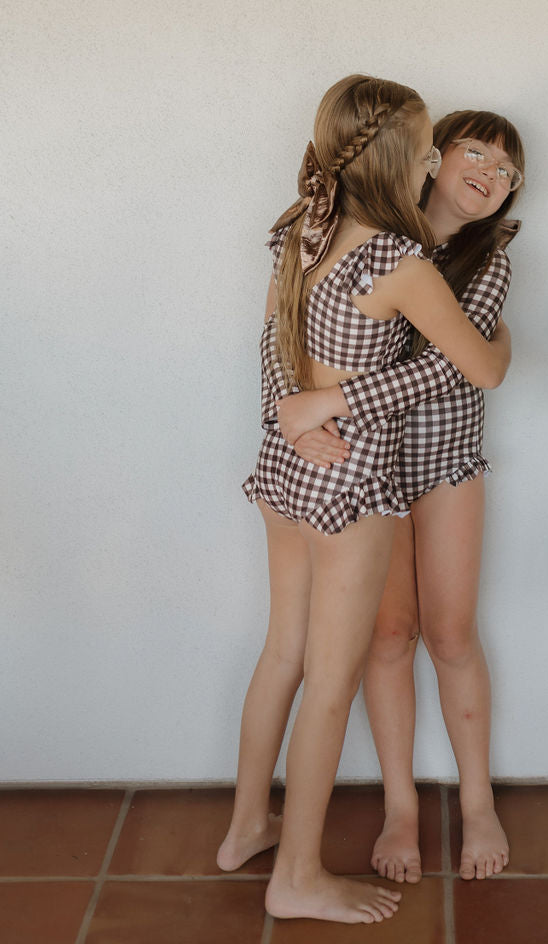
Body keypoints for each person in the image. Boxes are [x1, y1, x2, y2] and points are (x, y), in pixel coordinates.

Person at [217, 76, 511, 927]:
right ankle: (298, 875)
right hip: (351, 486)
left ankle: (246, 828)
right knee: (333, 680)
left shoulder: (301, 227)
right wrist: (502, 331)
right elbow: (481, 368)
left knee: (284, 652)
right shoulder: (402, 264)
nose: (434, 159)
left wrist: (295, 409)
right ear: (397, 161)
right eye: (428, 147)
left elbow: (274, 333)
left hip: (285, 466)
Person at [276, 111, 524, 886]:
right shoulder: (362, 234)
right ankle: (400, 807)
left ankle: (477, 801)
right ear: (431, 157)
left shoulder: (491, 263)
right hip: (369, 468)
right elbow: (285, 330)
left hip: (446, 463)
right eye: (475, 151)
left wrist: (328, 404)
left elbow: (457, 368)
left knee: (450, 635)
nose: (491, 172)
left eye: (509, 169)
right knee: (389, 636)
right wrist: (289, 409)